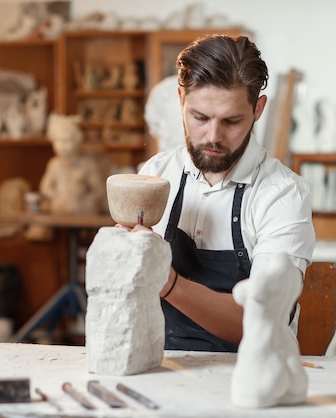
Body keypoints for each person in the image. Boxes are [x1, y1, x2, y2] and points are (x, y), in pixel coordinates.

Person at [130, 34, 315, 352]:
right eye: (199, 118)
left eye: (231, 121)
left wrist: (168, 282)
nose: (213, 137)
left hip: (250, 371)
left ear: (258, 109)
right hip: (162, 363)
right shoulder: (155, 175)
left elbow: (264, 320)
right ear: (181, 100)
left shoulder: (282, 195)